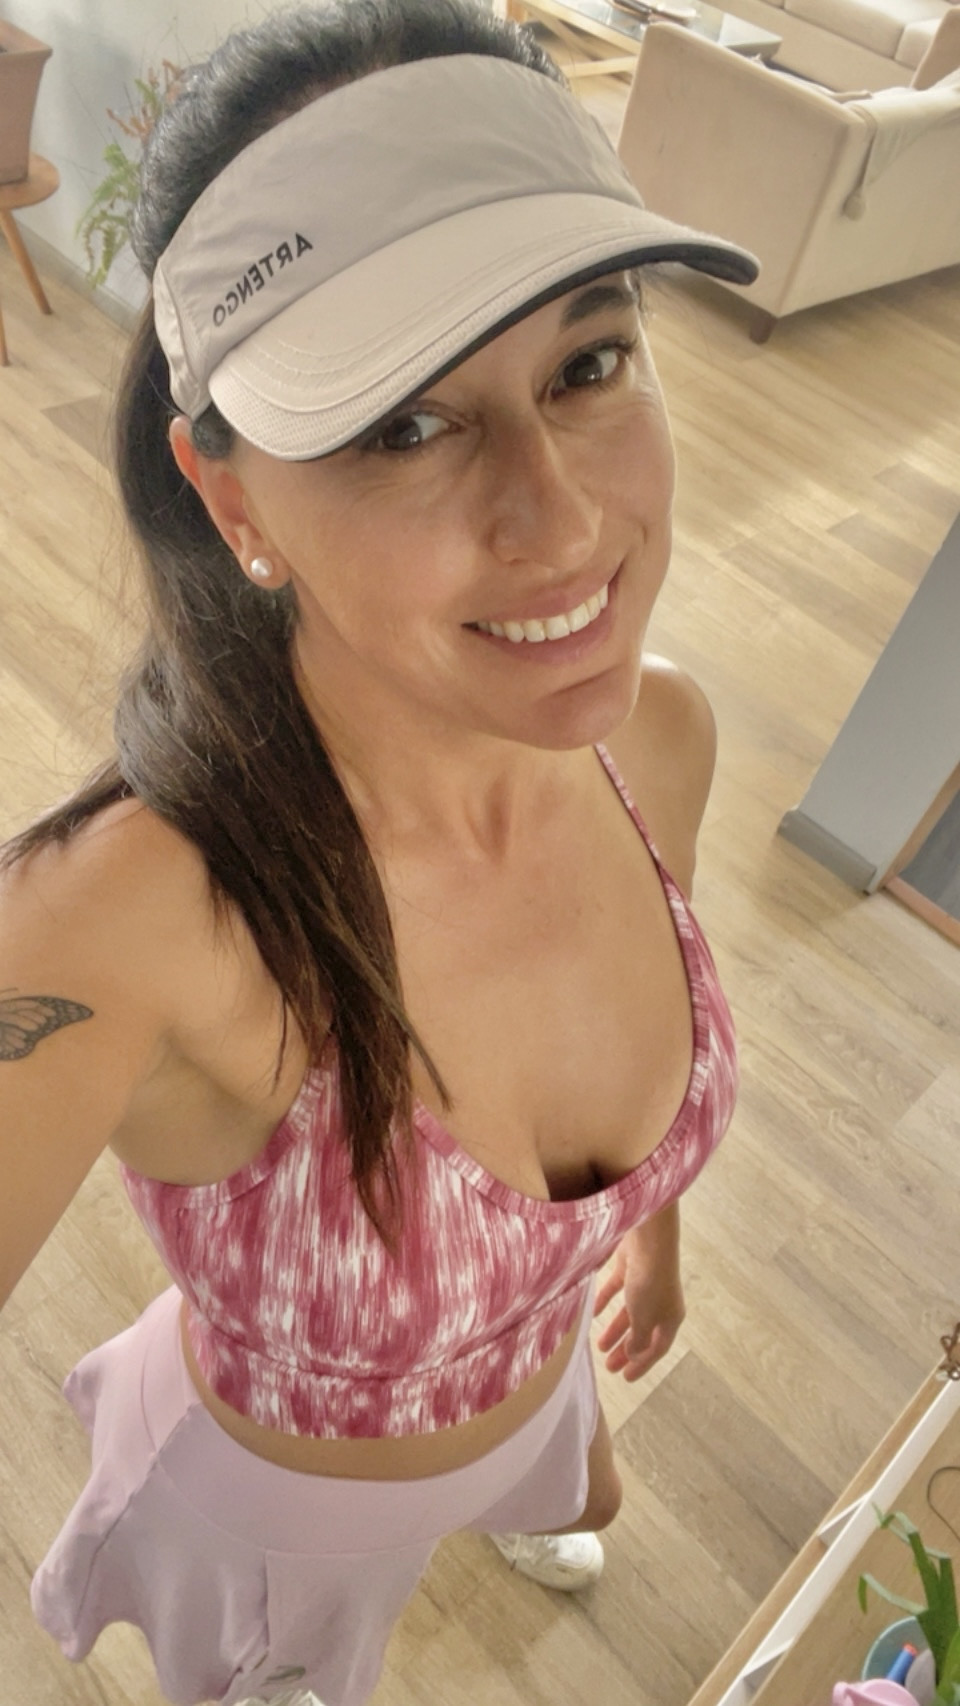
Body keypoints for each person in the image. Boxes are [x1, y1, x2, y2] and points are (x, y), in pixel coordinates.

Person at [0, 2, 752, 1703]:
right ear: (234, 500)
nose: (566, 520)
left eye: (588, 363)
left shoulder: (659, 738)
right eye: (404, 424)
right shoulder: (137, 919)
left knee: (567, 1479)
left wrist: (650, 1237)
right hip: (287, 1519)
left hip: (540, 1383)